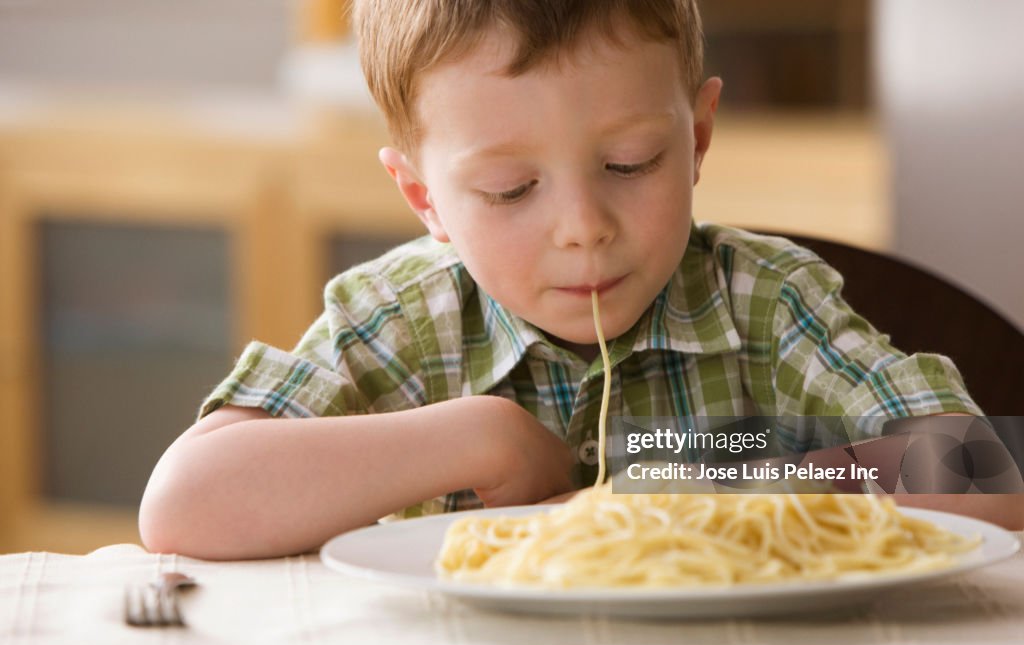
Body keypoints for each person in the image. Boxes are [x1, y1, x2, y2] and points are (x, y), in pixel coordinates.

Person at [139, 0, 1023, 560]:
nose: (583, 228)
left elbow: (985, 470)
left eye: (631, 163)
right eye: (510, 189)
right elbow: (185, 504)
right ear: (425, 198)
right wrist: (478, 437)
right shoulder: (402, 322)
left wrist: (681, 476)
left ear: (700, 138)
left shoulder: (762, 300)